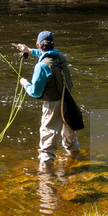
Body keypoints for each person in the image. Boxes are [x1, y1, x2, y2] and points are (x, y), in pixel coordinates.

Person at [15, 30, 80, 171]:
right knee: (70, 136)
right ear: (54, 43)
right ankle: (77, 162)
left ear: (38, 44)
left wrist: (25, 83)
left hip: (52, 105)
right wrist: (29, 51)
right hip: (68, 101)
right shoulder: (61, 58)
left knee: (47, 142)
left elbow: (35, 92)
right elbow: (48, 55)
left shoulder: (41, 66)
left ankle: (45, 177)